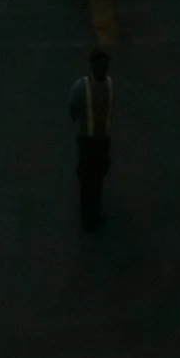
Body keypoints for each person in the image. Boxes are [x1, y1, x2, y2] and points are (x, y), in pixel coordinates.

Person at [68, 50, 114, 231]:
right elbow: (72, 106)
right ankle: (87, 214)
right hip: (87, 141)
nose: (102, 68)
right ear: (92, 66)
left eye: (104, 64)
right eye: (99, 65)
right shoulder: (82, 87)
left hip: (102, 140)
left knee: (99, 176)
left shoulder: (109, 84)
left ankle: (94, 211)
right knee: (87, 178)